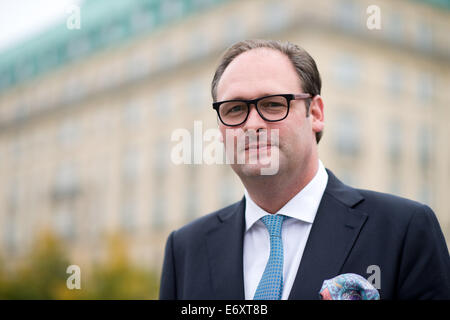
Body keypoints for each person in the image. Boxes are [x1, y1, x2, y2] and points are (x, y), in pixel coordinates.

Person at [159, 39, 450, 300]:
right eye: (234, 109)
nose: (252, 124)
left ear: (315, 114)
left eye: (273, 104)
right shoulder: (185, 249)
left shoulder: (405, 230)